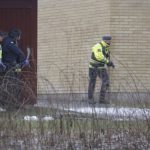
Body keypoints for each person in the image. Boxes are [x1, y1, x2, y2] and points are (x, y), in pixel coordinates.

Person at [88, 35, 115, 104]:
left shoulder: (106, 48)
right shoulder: (98, 46)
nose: (110, 42)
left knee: (106, 82)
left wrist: (110, 63)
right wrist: (108, 62)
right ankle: (90, 99)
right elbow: (99, 56)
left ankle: (102, 100)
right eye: (108, 41)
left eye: (110, 40)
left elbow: (106, 57)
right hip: (93, 67)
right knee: (92, 83)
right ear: (105, 41)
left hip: (101, 67)